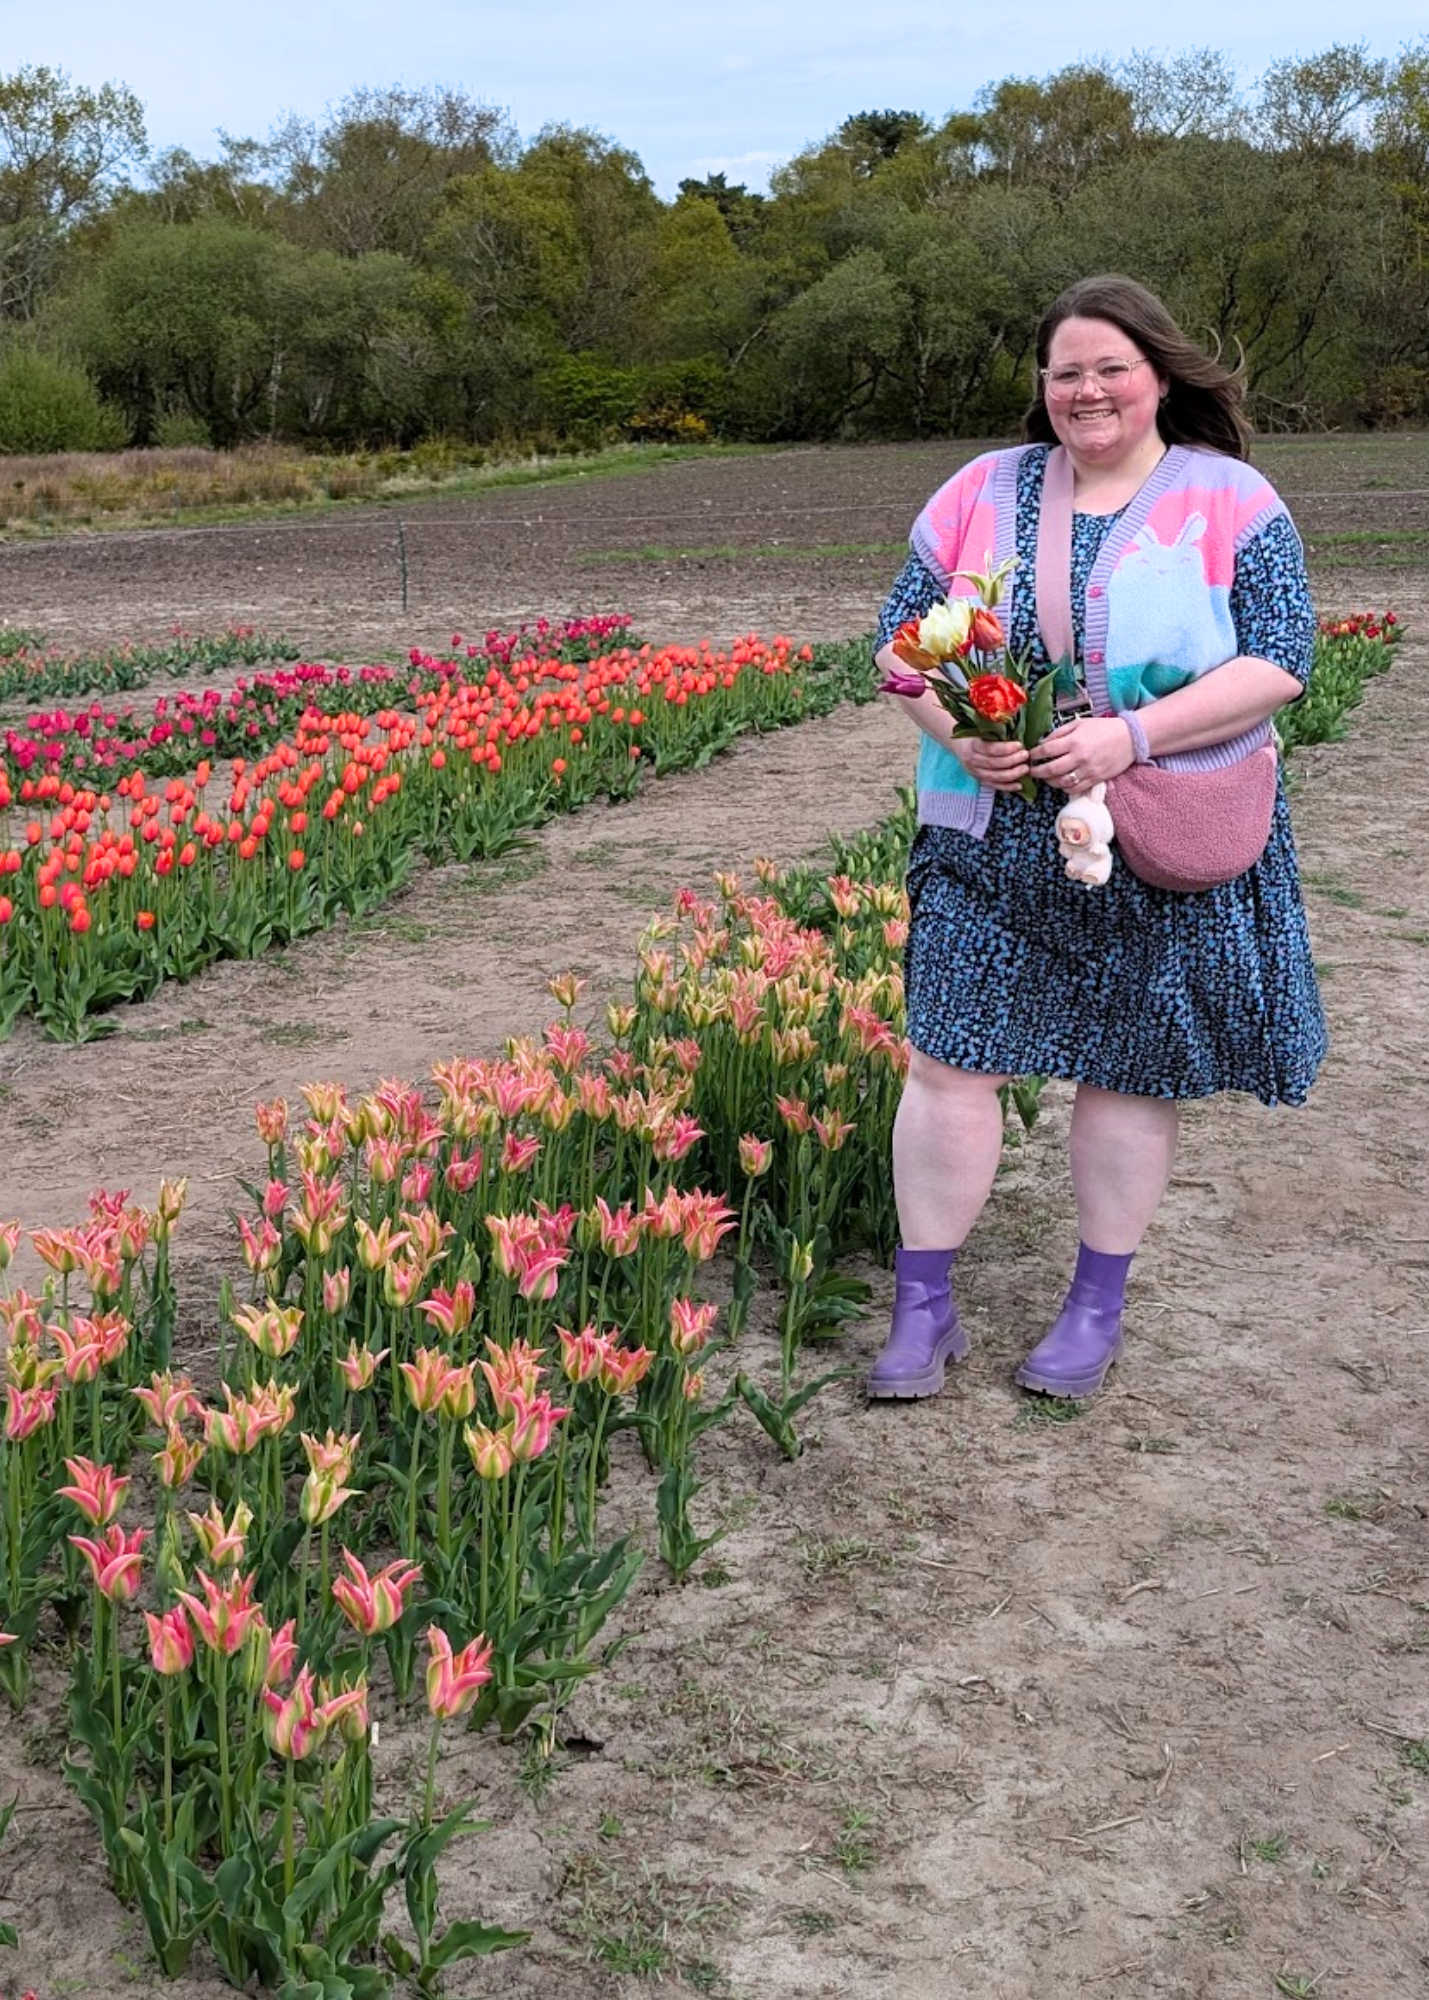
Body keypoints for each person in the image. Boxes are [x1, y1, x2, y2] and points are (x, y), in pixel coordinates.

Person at [867, 273, 1326, 1403]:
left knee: (1126, 1065)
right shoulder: (982, 488)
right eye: (1065, 371)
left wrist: (1130, 736)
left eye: (1110, 367)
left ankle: (1093, 1307)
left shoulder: (1229, 498)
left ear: (1157, 376)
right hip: (986, 830)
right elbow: (897, 640)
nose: (1087, 390)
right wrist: (963, 735)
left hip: (1156, 829)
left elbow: (1281, 658)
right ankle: (923, 1307)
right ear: (1043, 386)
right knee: (948, 1058)